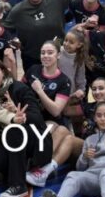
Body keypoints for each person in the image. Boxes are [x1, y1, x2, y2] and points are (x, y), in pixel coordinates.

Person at [0, 57, 51, 197]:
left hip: (37, 140)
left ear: (3, 72)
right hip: (10, 142)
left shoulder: (20, 88)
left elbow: (38, 119)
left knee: (14, 130)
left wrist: (18, 112)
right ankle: (24, 166)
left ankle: (18, 185)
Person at [22, 40, 76, 187]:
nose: (45, 56)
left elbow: (56, 110)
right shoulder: (33, 70)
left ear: (58, 55)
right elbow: (19, 90)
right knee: (64, 133)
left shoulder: (64, 81)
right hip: (30, 118)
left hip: (51, 121)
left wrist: (40, 91)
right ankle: (37, 166)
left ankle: (40, 168)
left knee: (62, 131)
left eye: (50, 53)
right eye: (43, 53)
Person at [2, 0, 72, 71]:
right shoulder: (18, 10)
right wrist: (13, 39)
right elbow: (4, 29)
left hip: (58, 55)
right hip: (31, 58)